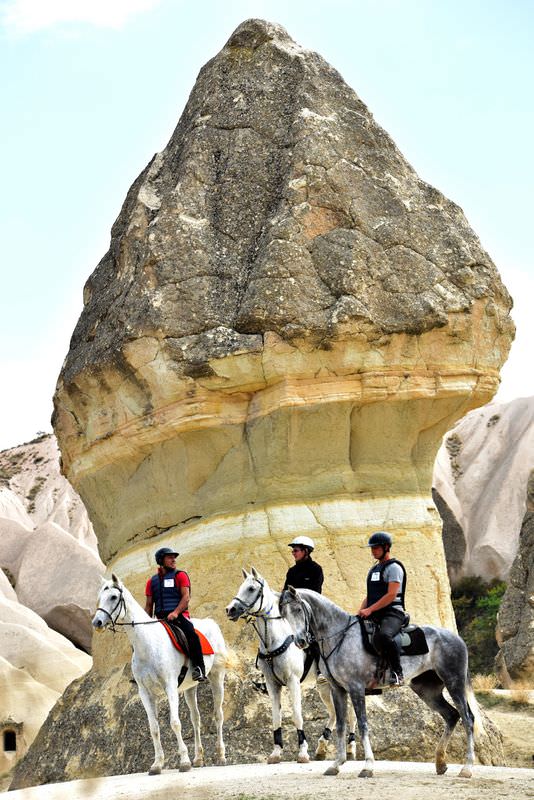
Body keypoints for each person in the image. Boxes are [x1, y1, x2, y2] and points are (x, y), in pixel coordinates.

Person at [145, 547, 207, 681]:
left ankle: (199, 668)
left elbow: (186, 598)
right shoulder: (151, 581)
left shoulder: (180, 575)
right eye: (170, 557)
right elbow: (149, 605)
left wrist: (175, 612)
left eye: (174, 557)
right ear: (161, 560)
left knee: (191, 634)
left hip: (178, 616)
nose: (174, 560)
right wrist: (146, 622)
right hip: (160, 619)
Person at [358, 531, 407, 686]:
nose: (373, 551)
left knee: (384, 636)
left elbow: (391, 595)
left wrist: (370, 610)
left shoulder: (393, 568)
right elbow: (371, 595)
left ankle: (397, 673)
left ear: (386, 547)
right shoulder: (374, 569)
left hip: (393, 612)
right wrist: (361, 611)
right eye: (372, 548)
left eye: (376, 548)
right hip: (376, 611)